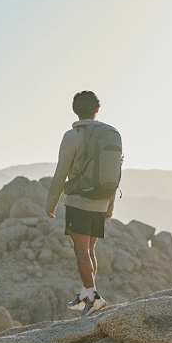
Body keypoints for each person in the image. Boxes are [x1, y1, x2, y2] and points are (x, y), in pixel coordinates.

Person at [46, 91, 118, 316]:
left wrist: (51, 203)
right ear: (97, 109)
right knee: (90, 249)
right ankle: (88, 293)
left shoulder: (72, 136)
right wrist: (110, 204)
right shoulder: (110, 134)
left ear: (75, 109)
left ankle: (92, 295)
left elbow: (61, 173)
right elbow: (115, 171)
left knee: (81, 251)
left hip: (79, 201)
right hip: (101, 199)